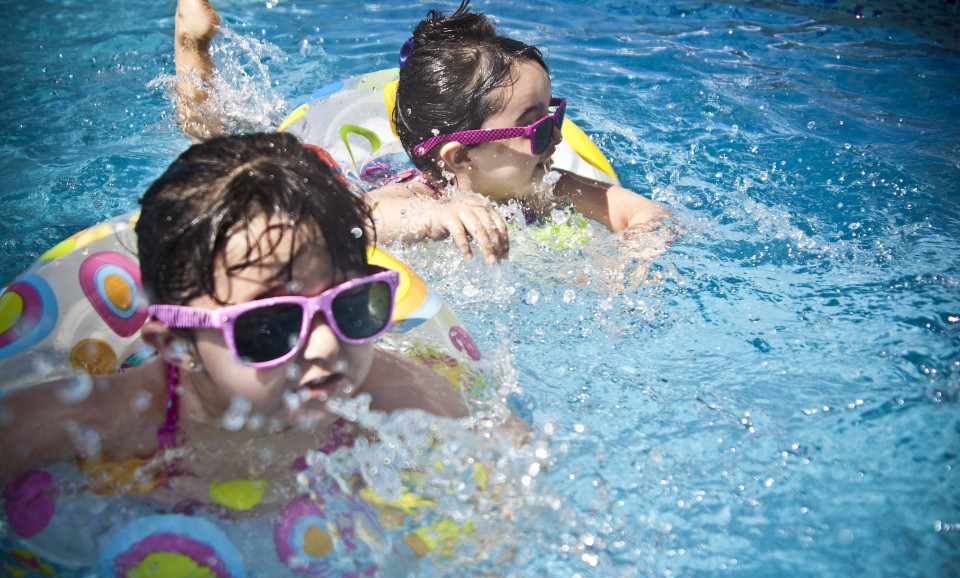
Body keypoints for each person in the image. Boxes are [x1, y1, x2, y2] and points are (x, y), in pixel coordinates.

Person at [0, 132, 468, 488]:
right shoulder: (99, 424)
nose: (327, 345)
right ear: (177, 344)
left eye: (350, 306)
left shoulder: (394, 397)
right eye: (271, 325)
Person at [172, 0, 670, 265]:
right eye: (534, 130)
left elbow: (640, 211)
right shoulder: (417, 192)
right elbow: (357, 221)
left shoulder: (550, 186)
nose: (556, 140)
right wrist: (437, 213)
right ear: (459, 159)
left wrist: (636, 253)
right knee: (222, 151)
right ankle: (192, 45)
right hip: (359, 174)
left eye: (554, 117)